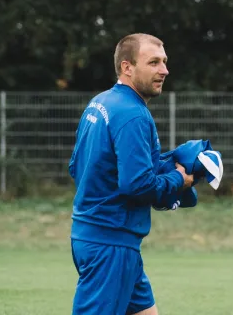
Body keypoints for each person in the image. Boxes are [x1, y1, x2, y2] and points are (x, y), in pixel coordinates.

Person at [68, 33, 195, 315]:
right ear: (127, 67)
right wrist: (179, 180)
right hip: (110, 243)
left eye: (164, 62)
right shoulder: (133, 115)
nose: (164, 70)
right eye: (153, 62)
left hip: (99, 237)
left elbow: (76, 165)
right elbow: (137, 185)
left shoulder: (100, 104)